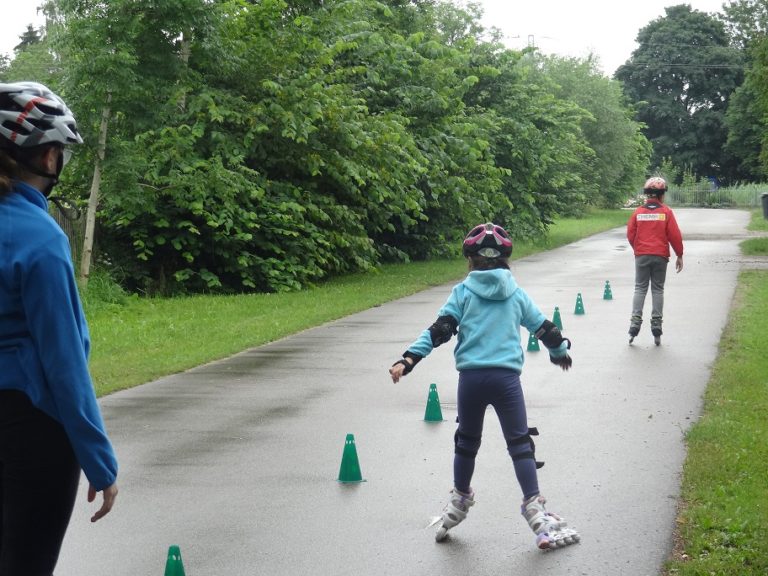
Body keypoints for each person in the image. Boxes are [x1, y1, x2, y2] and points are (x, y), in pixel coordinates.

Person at [388, 222, 579, 549]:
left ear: (470, 260)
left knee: (466, 442)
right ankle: (533, 505)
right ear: (505, 259)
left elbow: (440, 330)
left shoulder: (462, 293)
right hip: (506, 381)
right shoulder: (515, 293)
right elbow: (545, 329)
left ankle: (460, 498)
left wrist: (408, 360)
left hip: (472, 381)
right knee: (519, 444)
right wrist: (559, 352)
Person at [0, 82, 118, 576]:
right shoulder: (40, 237)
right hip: (32, 429)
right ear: (47, 157)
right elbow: (64, 361)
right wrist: (100, 461)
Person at [626, 176, 684, 345]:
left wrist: (638, 249)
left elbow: (630, 234)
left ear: (648, 194)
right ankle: (657, 326)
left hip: (642, 255)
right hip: (660, 256)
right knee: (657, 290)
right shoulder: (666, 212)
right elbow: (674, 235)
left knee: (640, 288)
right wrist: (679, 254)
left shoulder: (638, 212)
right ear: (661, 195)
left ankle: (634, 324)